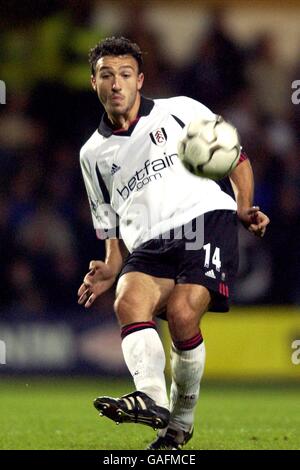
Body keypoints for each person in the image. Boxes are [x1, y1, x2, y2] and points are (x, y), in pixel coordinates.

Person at [78, 36, 270, 450]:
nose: (116, 84)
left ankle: (179, 425)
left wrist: (244, 207)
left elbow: (236, 158)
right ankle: (151, 398)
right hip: (148, 237)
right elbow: (107, 218)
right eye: (107, 75)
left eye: (125, 75)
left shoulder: (180, 109)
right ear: (93, 82)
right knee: (127, 299)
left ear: (140, 80)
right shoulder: (91, 154)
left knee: (183, 314)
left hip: (204, 218)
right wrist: (111, 265)